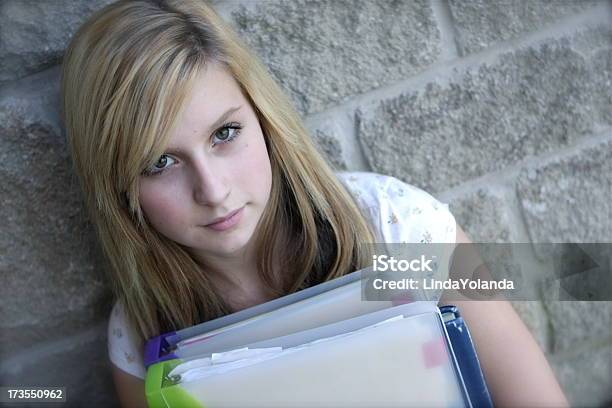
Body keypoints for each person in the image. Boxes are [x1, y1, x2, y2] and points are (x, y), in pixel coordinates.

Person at [60, 1, 568, 407]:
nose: (213, 190)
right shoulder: (142, 329)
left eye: (225, 133)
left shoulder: (396, 226)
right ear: (118, 187)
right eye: (160, 163)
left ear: (264, 118)